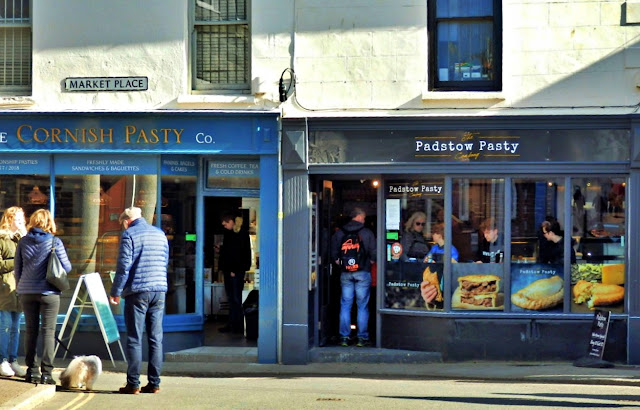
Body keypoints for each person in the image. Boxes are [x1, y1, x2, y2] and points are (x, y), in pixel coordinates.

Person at [109, 207, 169, 394]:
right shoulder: (160, 234)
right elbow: (165, 261)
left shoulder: (129, 234)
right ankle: (154, 383)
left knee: (135, 338)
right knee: (155, 338)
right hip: (159, 289)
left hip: (138, 291)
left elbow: (123, 266)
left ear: (127, 221)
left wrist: (116, 291)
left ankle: (133, 383)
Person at [15, 209, 71, 385]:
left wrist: (22, 286)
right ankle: (47, 373)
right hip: (49, 292)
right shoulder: (55, 241)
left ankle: (31, 371)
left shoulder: (23, 242)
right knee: (48, 332)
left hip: (27, 292)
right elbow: (66, 267)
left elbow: (18, 268)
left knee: (31, 331)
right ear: (49, 223)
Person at [330, 207, 376, 347]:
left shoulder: (340, 233)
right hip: (363, 272)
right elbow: (373, 252)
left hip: (346, 273)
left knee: (345, 305)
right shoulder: (366, 232)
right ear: (359, 216)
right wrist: (369, 263)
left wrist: (342, 264)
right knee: (362, 306)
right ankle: (361, 338)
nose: (364, 220)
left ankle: (344, 337)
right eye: (364, 217)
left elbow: (333, 253)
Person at [0, 207, 27, 377]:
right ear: (9, 220)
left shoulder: (22, 239)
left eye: (22, 219)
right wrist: (16, 261)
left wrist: (26, 239)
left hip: (20, 289)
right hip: (4, 289)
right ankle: (2, 360)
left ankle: (13, 360)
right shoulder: (1, 239)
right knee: (5, 327)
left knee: (16, 328)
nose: (21, 222)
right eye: (18, 219)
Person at [216, 213, 251, 334]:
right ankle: (235, 324)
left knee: (234, 299)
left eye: (225, 224)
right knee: (233, 299)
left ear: (231, 221)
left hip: (234, 272)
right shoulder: (238, 234)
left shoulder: (237, 235)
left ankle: (236, 325)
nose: (224, 226)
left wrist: (233, 270)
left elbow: (237, 254)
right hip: (234, 271)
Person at [420, 223, 457, 306]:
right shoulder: (434, 248)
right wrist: (428, 260)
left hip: (446, 279)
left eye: (434, 233)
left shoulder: (451, 249)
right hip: (433, 279)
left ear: (439, 235)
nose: (432, 235)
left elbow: (455, 264)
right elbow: (427, 259)